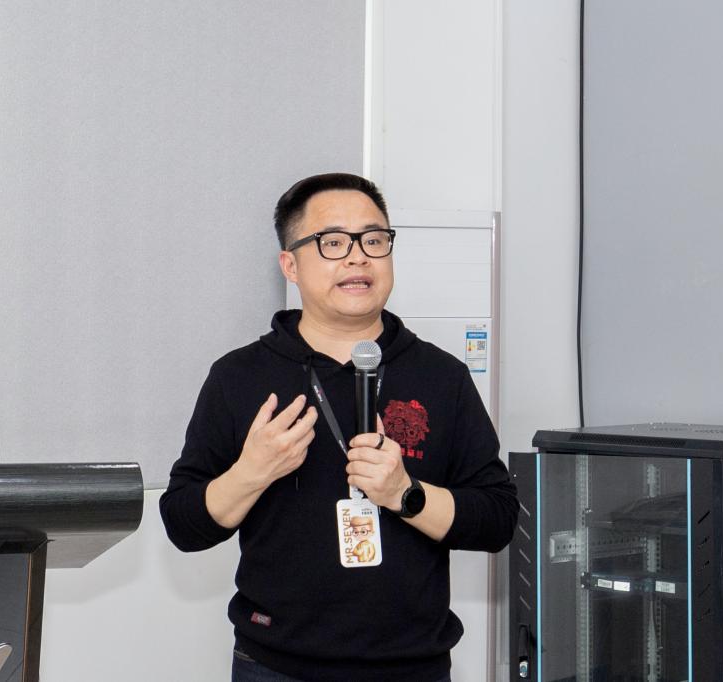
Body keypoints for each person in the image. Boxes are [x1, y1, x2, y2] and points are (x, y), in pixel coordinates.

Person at [160, 172, 518, 682]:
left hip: (411, 666)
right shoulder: (239, 377)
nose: (358, 258)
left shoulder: (442, 376)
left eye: (373, 240)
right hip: (275, 666)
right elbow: (183, 524)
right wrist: (252, 472)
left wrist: (405, 494)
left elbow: (498, 519)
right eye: (333, 242)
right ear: (290, 265)